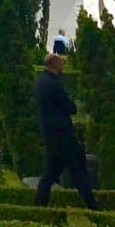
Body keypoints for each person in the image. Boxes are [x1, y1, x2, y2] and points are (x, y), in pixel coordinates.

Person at [34, 53, 97, 209]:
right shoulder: (54, 84)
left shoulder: (40, 81)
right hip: (62, 134)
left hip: (49, 134)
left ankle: (39, 204)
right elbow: (70, 107)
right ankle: (92, 205)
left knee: (51, 171)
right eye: (61, 65)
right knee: (78, 166)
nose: (63, 68)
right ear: (55, 65)